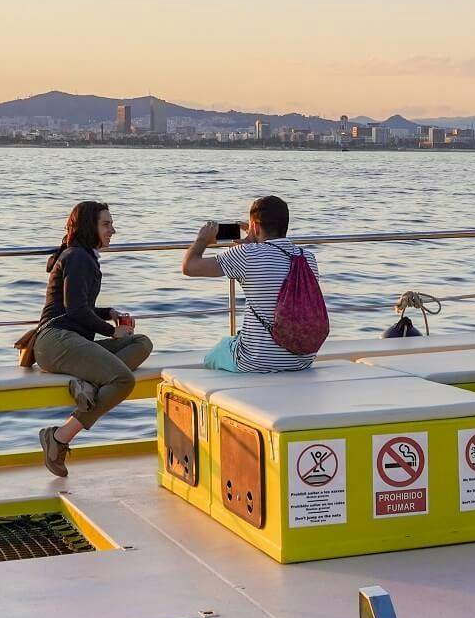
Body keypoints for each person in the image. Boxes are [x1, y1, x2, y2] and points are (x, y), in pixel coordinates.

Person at [33, 201, 154, 478]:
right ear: (91, 227)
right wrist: (112, 331)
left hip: (73, 340)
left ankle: (87, 384)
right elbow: (74, 310)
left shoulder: (83, 256)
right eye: (106, 224)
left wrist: (109, 313)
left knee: (142, 343)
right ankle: (60, 437)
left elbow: (78, 305)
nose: (113, 230)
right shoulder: (77, 257)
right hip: (55, 340)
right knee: (124, 380)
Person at [182, 195, 319, 373]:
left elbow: (190, 267)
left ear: (254, 226)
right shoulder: (307, 257)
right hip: (302, 360)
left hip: (256, 360)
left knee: (214, 356)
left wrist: (202, 240)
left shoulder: (246, 254)